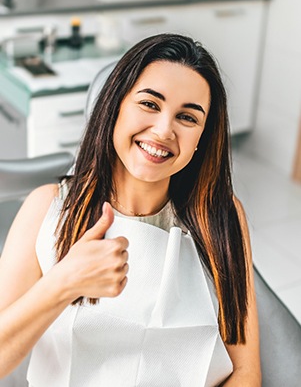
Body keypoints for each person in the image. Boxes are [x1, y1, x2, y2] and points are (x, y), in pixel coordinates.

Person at [0, 33, 261, 386]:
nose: (163, 130)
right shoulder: (46, 208)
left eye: (187, 117)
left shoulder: (221, 215)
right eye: (150, 104)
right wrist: (63, 282)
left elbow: (245, 370)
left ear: (202, 138)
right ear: (115, 106)